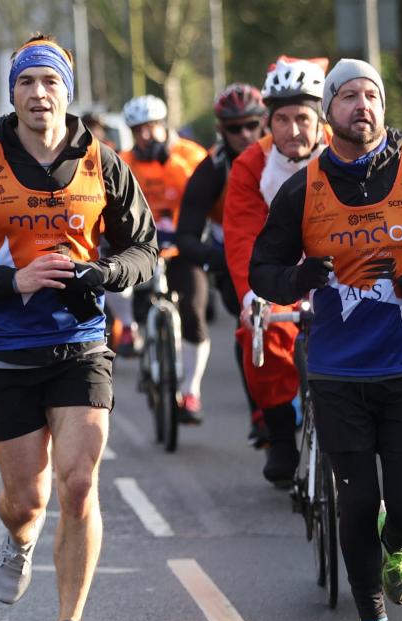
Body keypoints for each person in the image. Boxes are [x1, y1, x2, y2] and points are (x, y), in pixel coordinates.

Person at [0, 33, 156, 621]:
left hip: (80, 343)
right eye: (25, 82)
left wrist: (105, 274)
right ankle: (16, 539)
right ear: (13, 94)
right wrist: (12, 280)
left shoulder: (103, 161)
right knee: (26, 500)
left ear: (67, 92)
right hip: (7, 349)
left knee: (79, 483)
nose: (38, 93)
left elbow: (145, 250)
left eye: (49, 81)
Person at [249, 59, 402, 621]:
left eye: (371, 94)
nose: (362, 105)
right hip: (337, 372)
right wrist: (298, 281)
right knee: (353, 503)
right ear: (331, 113)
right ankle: (372, 620)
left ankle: (398, 542)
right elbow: (263, 269)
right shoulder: (304, 188)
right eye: (348, 96)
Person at [223, 56, 330, 482]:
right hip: (281, 276)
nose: (292, 131)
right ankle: (282, 437)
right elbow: (242, 237)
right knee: (258, 332)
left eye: (302, 118)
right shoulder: (251, 164)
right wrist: (253, 297)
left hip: (340, 271)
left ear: (320, 117)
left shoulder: (344, 152)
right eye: (281, 119)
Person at [174, 83, 266, 425]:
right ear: (220, 129)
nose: (244, 134)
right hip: (234, 261)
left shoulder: (287, 155)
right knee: (250, 329)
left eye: (251, 125)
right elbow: (186, 235)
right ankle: (260, 412)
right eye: (233, 128)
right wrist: (220, 260)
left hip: (287, 256)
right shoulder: (211, 168)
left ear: (265, 122)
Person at [106, 94, 208, 363]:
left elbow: (209, 197)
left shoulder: (191, 155)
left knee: (194, 312)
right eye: (138, 130)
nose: (145, 135)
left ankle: (189, 391)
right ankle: (128, 326)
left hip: (183, 242)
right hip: (142, 242)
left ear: (164, 124)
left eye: (151, 126)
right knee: (110, 269)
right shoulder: (123, 161)